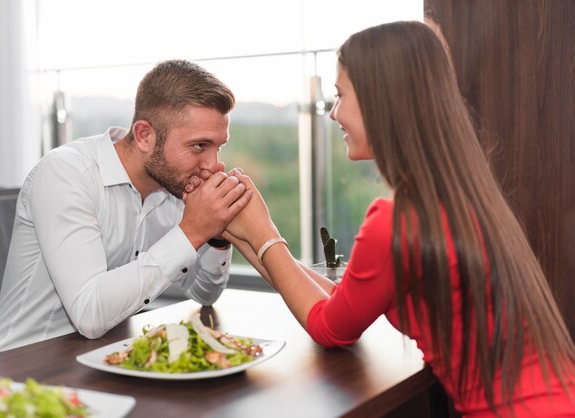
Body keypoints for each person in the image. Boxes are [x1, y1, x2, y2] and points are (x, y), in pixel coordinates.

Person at [208, 21, 575, 417]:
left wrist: (265, 234)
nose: (333, 114)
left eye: (340, 95)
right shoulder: (464, 198)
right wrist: (251, 238)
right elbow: (342, 305)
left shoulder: (394, 222)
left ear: (380, 101)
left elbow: (331, 329)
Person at [0, 59, 252, 353]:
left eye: (219, 146)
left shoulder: (176, 184)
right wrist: (192, 231)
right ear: (144, 136)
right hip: (23, 366)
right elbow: (89, 314)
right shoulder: (65, 174)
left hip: (110, 358)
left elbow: (204, 294)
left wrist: (213, 237)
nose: (213, 165)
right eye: (199, 146)